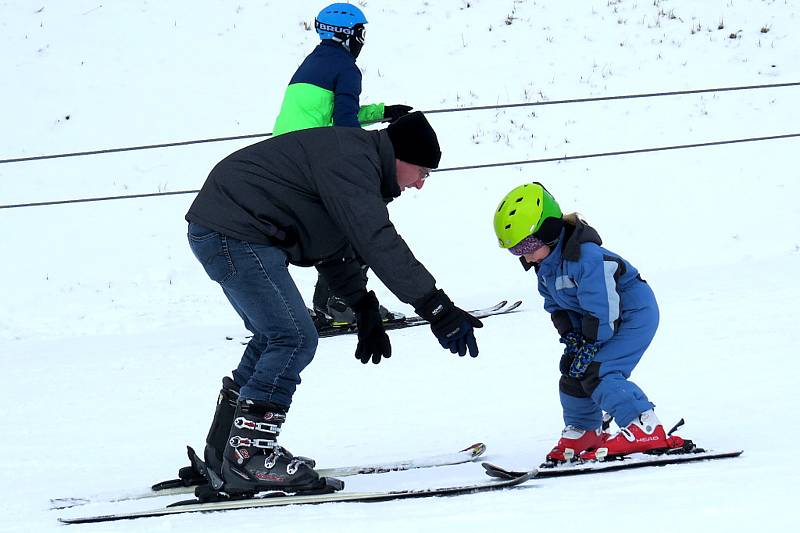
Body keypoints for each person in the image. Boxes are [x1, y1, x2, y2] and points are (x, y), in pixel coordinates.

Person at [183, 111, 482, 495]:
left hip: (230, 228)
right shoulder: (353, 162)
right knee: (292, 338)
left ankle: (227, 447)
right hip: (235, 231)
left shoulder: (357, 164)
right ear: (400, 156)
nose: (422, 183)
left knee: (272, 336)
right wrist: (435, 306)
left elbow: (336, 242)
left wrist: (362, 305)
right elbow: (376, 238)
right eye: (423, 170)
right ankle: (249, 457)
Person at [492, 182, 687, 464]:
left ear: (548, 231)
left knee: (599, 370)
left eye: (527, 245)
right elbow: (557, 307)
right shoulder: (545, 269)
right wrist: (572, 338)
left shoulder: (587, 258)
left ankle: (645, 425)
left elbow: (603, 308)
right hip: (598, 322)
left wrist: (591, 343)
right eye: (516, 250)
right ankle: (585, 431)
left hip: (633, 315)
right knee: (573, 372)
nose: (525, 255)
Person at [273, 3, 413, 327]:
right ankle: (339, 301)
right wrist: (377, 152)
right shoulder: (347, 68)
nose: (363, 40)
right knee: (363, 219)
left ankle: (327, 302)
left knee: (333, 227)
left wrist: (383, 111)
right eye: (361, 33)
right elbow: (346, 126)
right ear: (347, 34)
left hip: (287, 160)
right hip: (313, 161)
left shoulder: (312, 64)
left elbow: (332, 113)